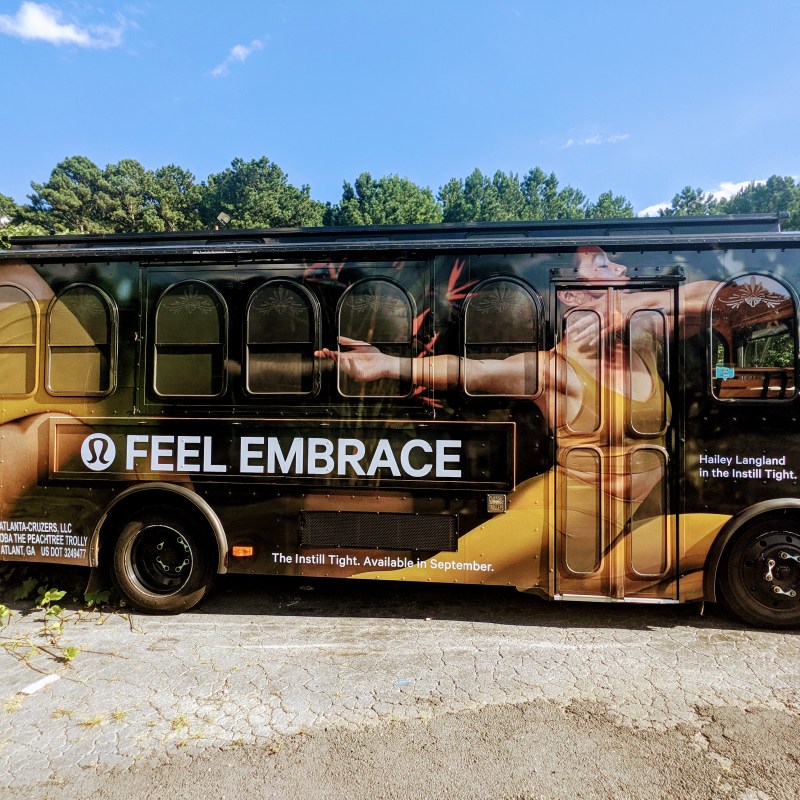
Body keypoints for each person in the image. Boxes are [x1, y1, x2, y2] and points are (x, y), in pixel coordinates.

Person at [315, 248, 718, 587]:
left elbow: (728, 299)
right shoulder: (554, 370)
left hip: (621, 527)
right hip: (559, 524)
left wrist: (631, 303)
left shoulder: (643, 338)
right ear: (572, 296)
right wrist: (388, 365)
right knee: (425, 577)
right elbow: (468, 371)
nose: (619, 269)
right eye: (599, 266)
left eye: (612, 264)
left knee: (713, 551)